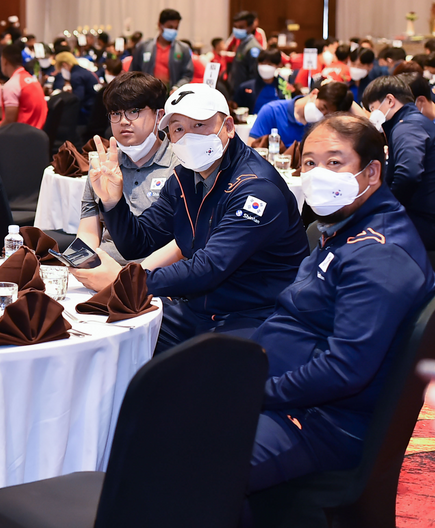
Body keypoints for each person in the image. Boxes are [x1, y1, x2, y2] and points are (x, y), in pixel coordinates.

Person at [247, 113, 435, 492]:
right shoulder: (342, 227)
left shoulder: (379, 255)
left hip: (322, 421)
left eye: (334, 162)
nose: (318, 174)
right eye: (309, 163)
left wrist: (255, 393)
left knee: (194, 467)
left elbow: (345, 369)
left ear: (371, 172)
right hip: (291, 396)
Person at [75, 85, 308, 353]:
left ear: (228, 127)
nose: (188, 137)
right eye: (178, 129)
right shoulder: (185, 177)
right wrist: (113, 203)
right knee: (112, 337)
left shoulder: (256, 189)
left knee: (186, 364)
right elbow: (139, 242)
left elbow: (209, 267)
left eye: (199, 125)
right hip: (199, 308)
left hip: (256, 315)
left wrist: (127, 282)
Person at [77, 73, 177, 264]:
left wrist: (132, 275)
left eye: (134, 111)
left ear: (159, 116)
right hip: (105, 264)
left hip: (156, 271)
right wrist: (79, 264)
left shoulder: (179, 165)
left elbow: (180, 244)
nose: (123, 121)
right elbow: (88, 233)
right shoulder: (103, 165)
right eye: (116, 113)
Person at [362, 76, 435, 250]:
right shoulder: (415, 122)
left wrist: (389, 207)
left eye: (373, 108)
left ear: (390, 100)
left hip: (421, 223)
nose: (372, 115)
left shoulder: (407, 126)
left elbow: (408, 173)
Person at [249, 81, 355, 147]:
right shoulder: (272, 111)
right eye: (322, 108)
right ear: (314, 94)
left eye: (326, 115)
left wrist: (345, 96)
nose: (321, 114)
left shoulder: (324, 126)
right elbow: (250, 150)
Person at [129, 9, 195, 88]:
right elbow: (133, 72)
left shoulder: (183, 49)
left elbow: (187, 75)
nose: (173, 31)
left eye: (176, 28)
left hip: (172, 92)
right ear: (160, 25)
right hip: (147, 91)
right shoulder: (143, 47)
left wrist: (177, 87)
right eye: (170, 27)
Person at [0, 42, 47, 128]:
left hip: (22, 134)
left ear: (4, 61)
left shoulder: (12, 85)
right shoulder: (32, 80)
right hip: (38, 132)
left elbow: (9, 121)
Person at [53, 51, 101, 122]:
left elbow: (78, 99)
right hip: (95, 108)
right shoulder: (81, 71)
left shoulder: (75, 76)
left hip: (87, 112)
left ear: (64, 64)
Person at [236, 49, 289, 113]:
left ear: (278, 65)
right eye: (262, 63)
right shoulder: (245, 87)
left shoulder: (284, 86)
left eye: (269, 64)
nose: (265, 67)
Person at [228, 11, 263, 96]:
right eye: (235, 27)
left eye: (241, 27)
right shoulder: (242, 43)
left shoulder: (253, 48)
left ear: (250, 27)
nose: (237, 30)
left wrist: (247, 93)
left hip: (245, 93)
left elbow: (254, 75)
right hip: (237, 90)